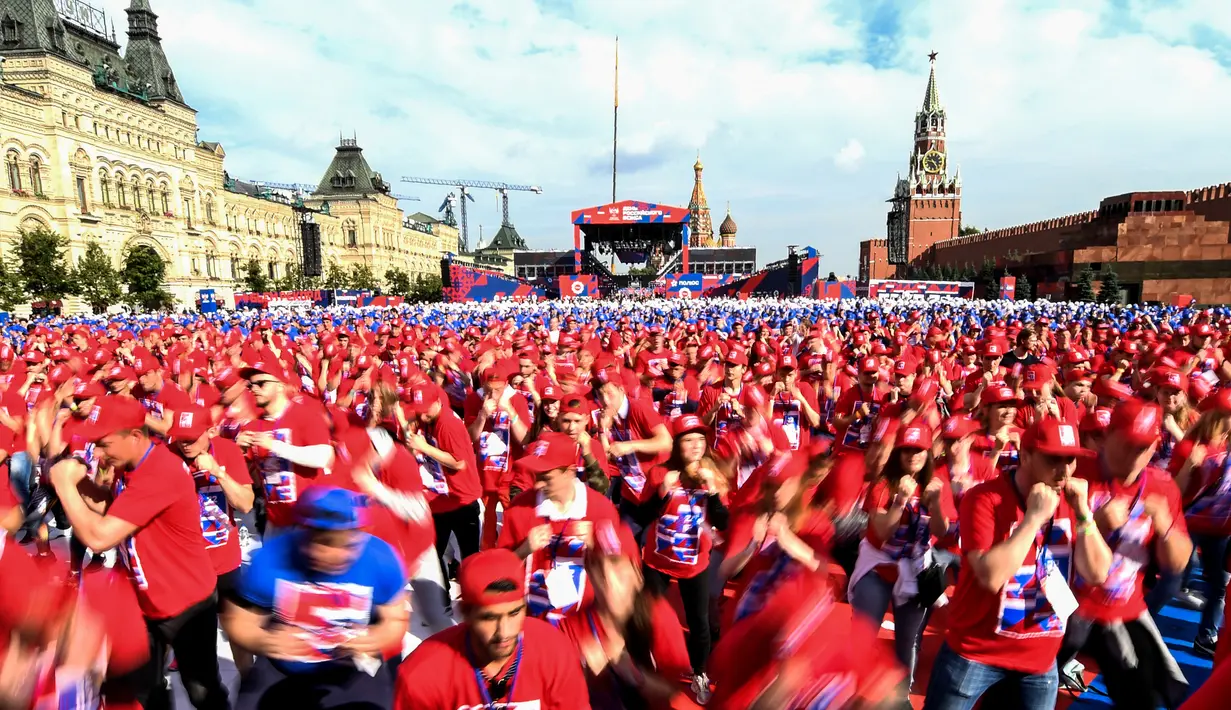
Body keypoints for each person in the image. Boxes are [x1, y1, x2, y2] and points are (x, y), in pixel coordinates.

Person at [46, 395, 229, 710]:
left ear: (134, 436)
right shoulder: (131, 464)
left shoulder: (160, 471)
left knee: (202, 691)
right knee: (140, 690)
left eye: (104, 445)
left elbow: (98, 537)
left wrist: (64, 486)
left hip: (186, 601)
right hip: (145, 601)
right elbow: (113, 508)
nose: (99, 454)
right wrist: (80, 486)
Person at [922, 418, 1113, 710]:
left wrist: (1085, 515)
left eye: (1070, 460)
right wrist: (1033, 519)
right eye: (1053, 459)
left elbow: (1098, 573)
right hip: (975, 653)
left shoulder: (1073, 503)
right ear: (1025, 456)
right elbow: (990, 576)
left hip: (1040, 658)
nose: (1064, 470)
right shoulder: (985, 499)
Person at [223, 486, 409, 709]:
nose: (335, 554)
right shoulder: (271, 559)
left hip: (351, 669)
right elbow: (237, 619)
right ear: (302, 531)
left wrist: (378, 637)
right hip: (284, 668)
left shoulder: (382, 559)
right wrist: (264, 641)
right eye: (323, 541)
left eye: (347, 543)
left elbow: (396, 619)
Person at [1061, 398, 1192, 708]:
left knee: (1143, 697)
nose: (1136, 454)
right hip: (1064, 607)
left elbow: (1177, 563)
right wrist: (1096, 526)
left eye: (1145, 446)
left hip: (1120, 609)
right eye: (1128, 443)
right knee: (1023, 686)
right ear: (1107, 437)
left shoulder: (1162, 486)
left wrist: (1165, 529)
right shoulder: (1074, 471)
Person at [394, 548, 591, 709]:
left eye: (514, 613)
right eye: (489, 617)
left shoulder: (553, 650)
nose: (504, 632)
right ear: (465, 613)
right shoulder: (422, 674)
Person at [849, 420, 955, 696]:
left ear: (928, 454)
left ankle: (900, 694)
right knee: (863, 634)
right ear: (898, 453)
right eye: (907, 449)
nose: (913, 456)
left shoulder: (934, 485)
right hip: (878, 567)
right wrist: (899, 502)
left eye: (919, 450)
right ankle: (851, 689)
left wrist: (934, 504)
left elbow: (942, 531)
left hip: (915, 569)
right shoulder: (883, 485)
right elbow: (882, 531)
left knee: (908, 641)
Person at [638, 414, 730, 704]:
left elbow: (723, 522)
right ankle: (643, 668)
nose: (696, 446)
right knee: (646, 616)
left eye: (700, 440)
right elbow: (643, 516)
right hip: (658, 559)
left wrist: (713, 491)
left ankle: (699, 672)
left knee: (698, 622)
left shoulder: (713, 475)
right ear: (677, 444)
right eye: (689, 440)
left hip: (695, 562)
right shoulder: (659, 473)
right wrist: (663, 492)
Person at [558, 519, 691, 710]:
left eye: (616, 564)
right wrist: (582, 676)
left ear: (637, 574)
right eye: (597, 565)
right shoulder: (572, 626)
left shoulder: (658, 615)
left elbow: (678, 694)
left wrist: (633, 674)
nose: (607, 576)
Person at [166, 403, 257, 675]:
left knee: (238, 634)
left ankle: (248, 688)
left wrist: (218, 472)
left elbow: (246, 504)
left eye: (192, 439)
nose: (185, 445)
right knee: (196, 645)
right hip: (186, 568)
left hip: (224, 562)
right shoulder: (168, 457)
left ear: (212, 431)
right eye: (180, 438)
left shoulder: (227, 450)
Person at [497, 431, 620, 623]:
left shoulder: (600, 509)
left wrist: (596, 546)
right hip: (533, 623)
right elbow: (498, 569)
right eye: (536, 476)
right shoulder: (520, 508)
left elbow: (620, 571)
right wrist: (523, 550)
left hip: (583, 625)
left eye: (547, 477)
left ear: (570, 471)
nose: (538, 485)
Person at [237, 359, 334, 538]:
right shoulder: (252, 426)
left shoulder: (305, 415)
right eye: (251, 385)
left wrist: (275, 446)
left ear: (280, 386)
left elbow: (323, 456)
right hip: (275, 521)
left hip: (309, 521)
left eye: (261, 383)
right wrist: (240, 452)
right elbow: (252, 479)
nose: (254, 389)